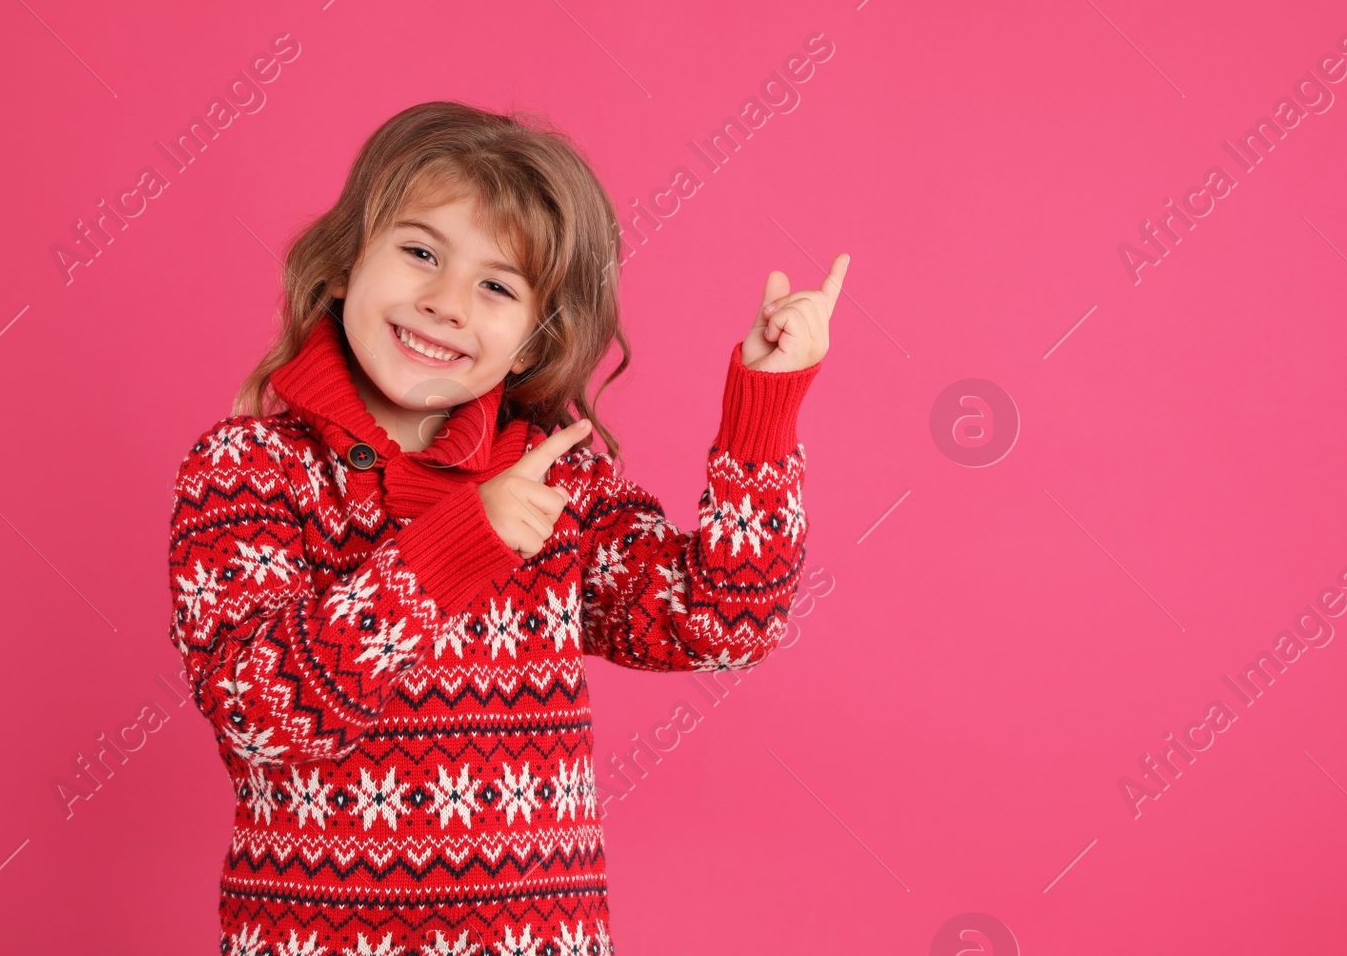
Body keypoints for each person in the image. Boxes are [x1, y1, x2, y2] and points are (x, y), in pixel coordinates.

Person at [167, 100, 847, 953]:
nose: (447, 303)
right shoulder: (248, 471)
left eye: (496, 286)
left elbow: (722, 622)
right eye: (421, 253)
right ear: (344, 267)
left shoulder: (556, 481)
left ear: (530, 343)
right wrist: (460, 543)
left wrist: (763, 412)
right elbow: (256, 716)